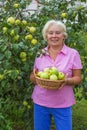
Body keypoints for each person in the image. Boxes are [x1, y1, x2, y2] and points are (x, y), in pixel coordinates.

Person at [30, 20, 82, 130]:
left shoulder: (73, 54)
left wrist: (67, 81)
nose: (54, 36)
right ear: (46, 36)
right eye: (50, 33)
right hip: (41, 101)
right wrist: (36, 78)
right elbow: (33, 75)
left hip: (63, 102)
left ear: (64, 35)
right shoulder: (40, 53)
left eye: (58, 33)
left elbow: (78, 78)